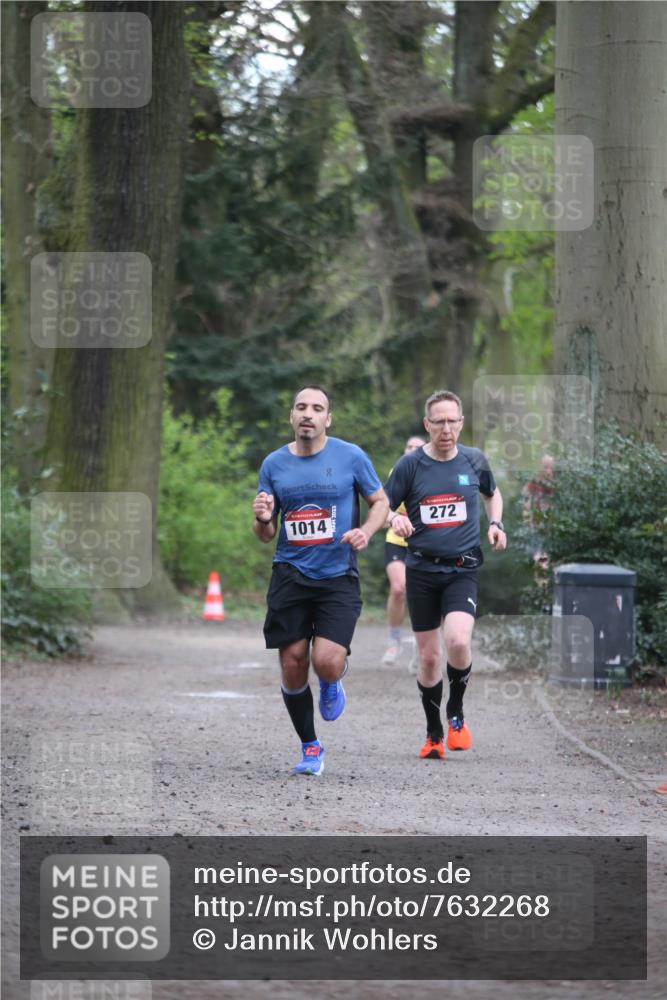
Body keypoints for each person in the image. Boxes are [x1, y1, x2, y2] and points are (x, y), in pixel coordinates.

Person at [252, 385, 388, 776]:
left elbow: (380, 501)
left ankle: (333, 679)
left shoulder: (350, 456)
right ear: (291, 417)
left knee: (325, 662)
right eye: (300, 407)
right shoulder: (273, 465)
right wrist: (262, 517)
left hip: (337, 575)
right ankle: (310, 746)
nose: (307, 414)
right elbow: (265, 534)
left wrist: (366, 530)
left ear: (328, 418)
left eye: (317, 408)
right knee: (293, 662)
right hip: (290, 574)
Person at [385, 389, 507, 760]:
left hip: (462, 569)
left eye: (453, 421)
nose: (446, 428)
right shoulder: (410, 466)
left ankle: (456, 711)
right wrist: (396, 518)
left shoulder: (474, 460)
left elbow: (493, 494)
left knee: (457, 641)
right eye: (438, 421)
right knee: (429, 659)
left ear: (462, 423)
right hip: (421, 569)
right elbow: (381, 507)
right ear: (427, 424)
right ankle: (433, 732)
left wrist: (496, 522)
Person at [382, 435, 426, 665]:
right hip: (397, 541)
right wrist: (393, 519)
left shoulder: (434, 473)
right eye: (408, 446)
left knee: (427, 595)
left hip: (427, 543)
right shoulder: (396, 471)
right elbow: (383, 507)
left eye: (417, 447)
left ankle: (424, 647)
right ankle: (394, 639)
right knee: (399, 588)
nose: (412, 450)